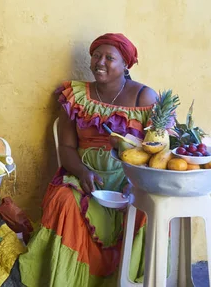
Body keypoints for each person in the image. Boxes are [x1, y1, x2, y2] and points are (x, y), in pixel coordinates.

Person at [16, 33, 157, 286]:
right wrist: (82, 172)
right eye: (96, 55)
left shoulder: (144, 98)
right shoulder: (76, 95)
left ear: (126, 65)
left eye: (109, 58)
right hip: (85, 174)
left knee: (150, 207)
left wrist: (137, 181)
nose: (100, 62)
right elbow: (67, 147)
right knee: (63, 199)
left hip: (132, 179)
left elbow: (156, 149)